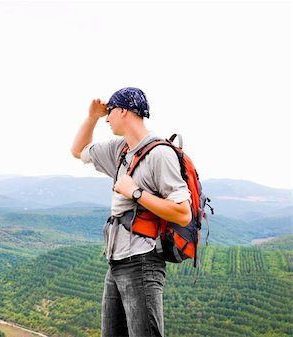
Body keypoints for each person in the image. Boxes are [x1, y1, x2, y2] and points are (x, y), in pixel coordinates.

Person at [71, 87, 191, 337]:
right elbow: (78, 150)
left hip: (143, 260)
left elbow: (183, 213)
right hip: (116, 260)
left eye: (109, 112)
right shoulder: (120, 150)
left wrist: (136, 193)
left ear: (124, 111)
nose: (107, 119)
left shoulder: (160, 154)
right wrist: (91, 116)